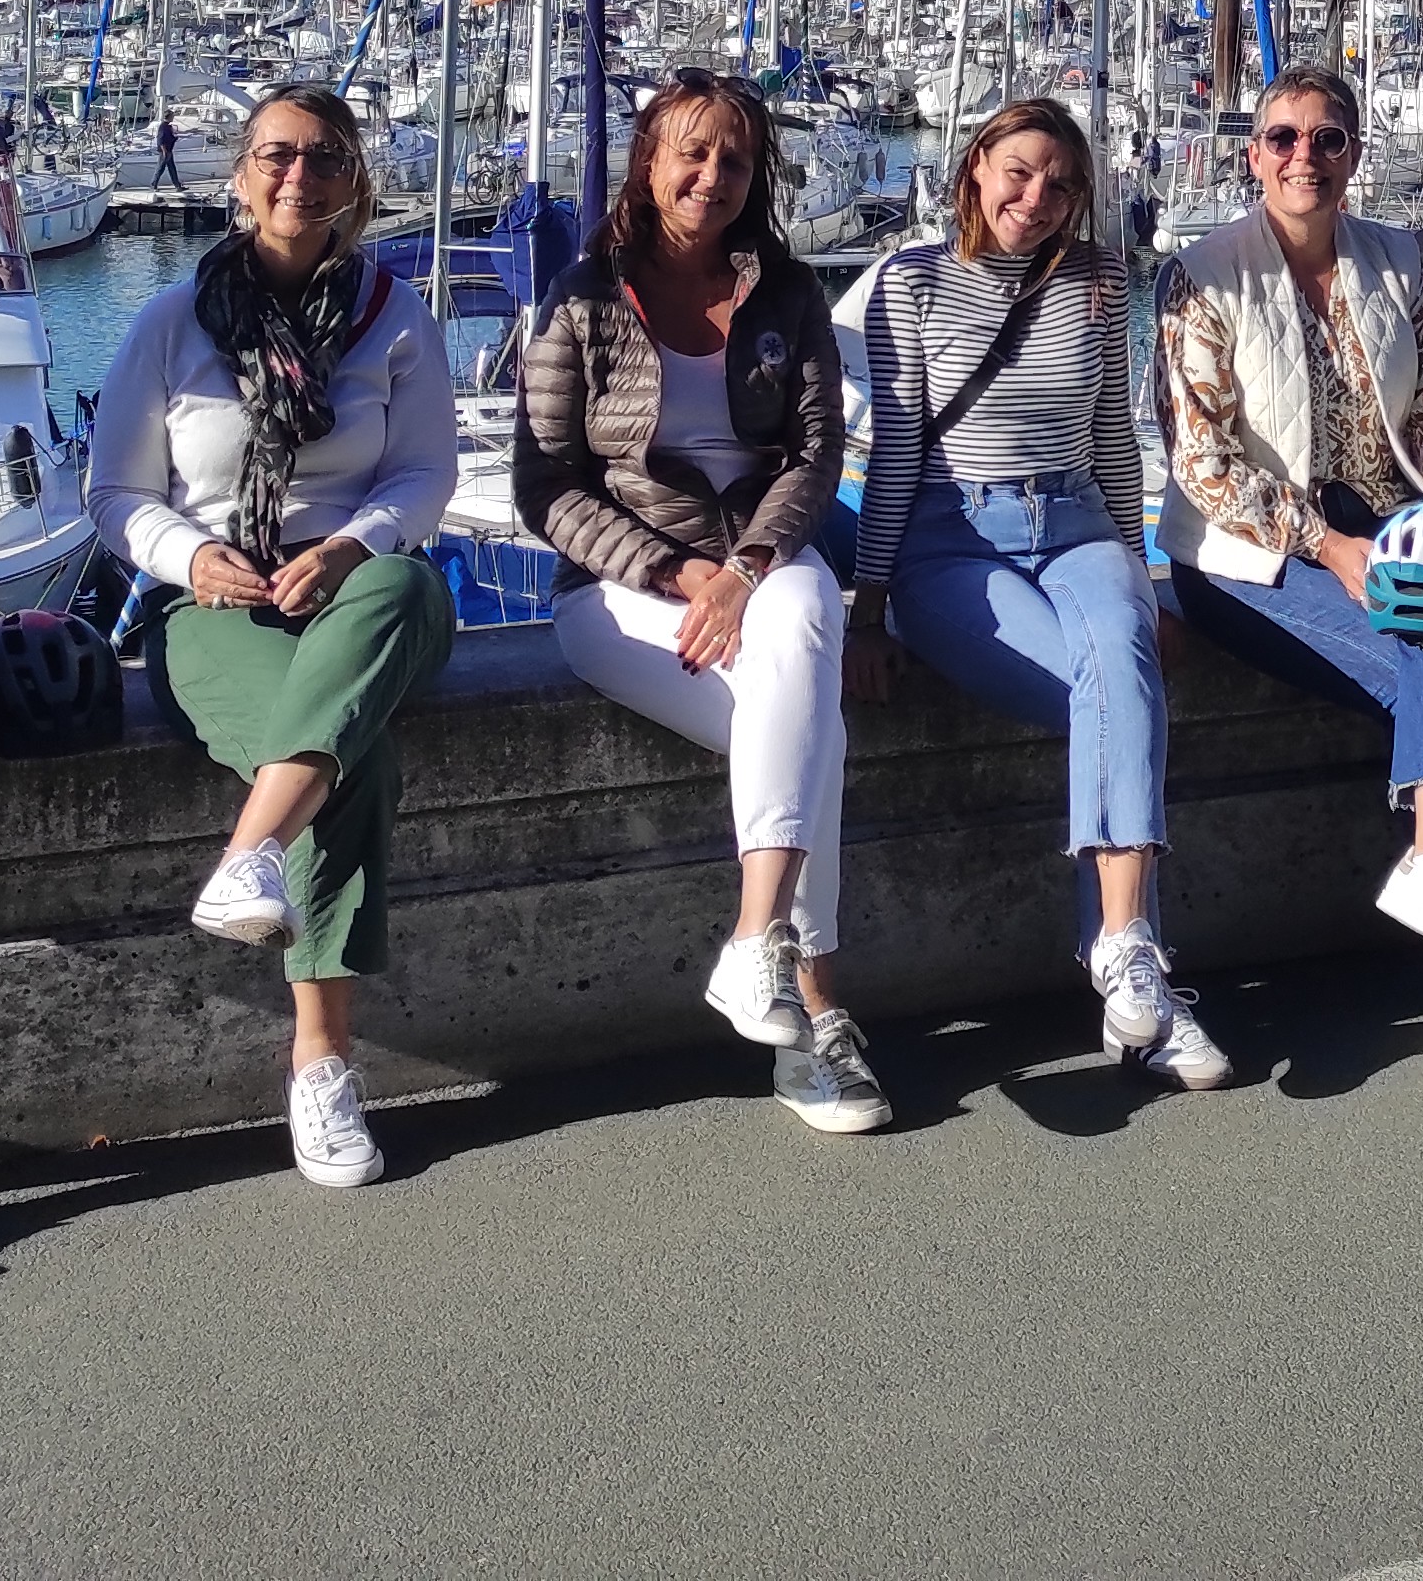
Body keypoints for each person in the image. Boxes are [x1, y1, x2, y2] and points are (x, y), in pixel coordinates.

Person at [1157, 62, 1423, 1056]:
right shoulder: (1199, 273)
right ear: (1252, 154)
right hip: (1246, 555)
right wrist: (1330, 544)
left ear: (1355, 152)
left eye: (1327, 138)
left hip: (1393, 519)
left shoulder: (1395, 258)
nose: (1303, 155)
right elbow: (1200, 460)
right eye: (1282, 138)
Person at [87, 82, 462, 1189]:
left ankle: (249, 855)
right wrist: (189, 555)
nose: (298, 178)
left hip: (362, 592)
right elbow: (112, 490)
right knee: (350, 759)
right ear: (240, 176)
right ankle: (319, 1060)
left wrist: (352, 545)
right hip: (214, 604)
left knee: (398, 587)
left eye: (325, 160)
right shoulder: (169, 324)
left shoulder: (395, 316)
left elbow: (426, 474)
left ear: (356, 183)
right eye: (275, 157)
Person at [519, 69, 884, 1133]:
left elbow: (817, 454)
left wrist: (748, 561)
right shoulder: (585, 298)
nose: (710, 173)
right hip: (620, 588)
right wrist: (681, 573)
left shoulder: (785, 290)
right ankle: (812, 1010)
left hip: (759, 569)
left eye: (733, 156)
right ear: (648, 159)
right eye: (690, 150)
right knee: (809, 733)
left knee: (805, 617)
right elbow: (544, 486)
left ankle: (754, 947)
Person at [849, 97, 1226, 1091]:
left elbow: (1111, 438)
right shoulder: (912, 283)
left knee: (1124, 665)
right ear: (974, 168)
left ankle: (1125, 960)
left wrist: (1146, 578)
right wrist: (868, 603)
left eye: (1061, 183)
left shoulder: (1099, 281)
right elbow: (892, 456)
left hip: (1075, 524)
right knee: (1098, 695)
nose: (1037, 197)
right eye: (1018, 171)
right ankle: (1134, 961)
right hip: (949, 541)